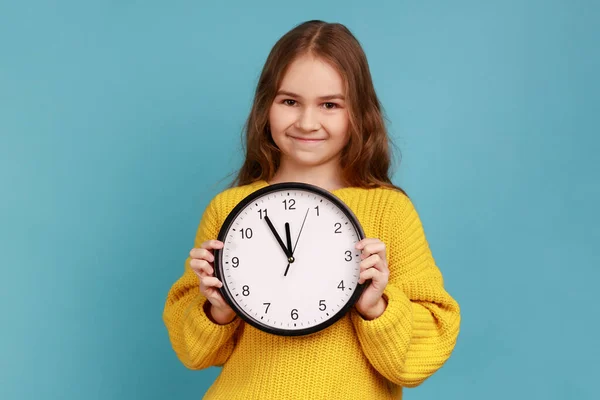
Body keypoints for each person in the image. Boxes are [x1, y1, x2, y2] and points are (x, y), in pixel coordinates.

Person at [163, 20, 461, 400]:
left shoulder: (389, 210)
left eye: (330, 105)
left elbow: (424, 351)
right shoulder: (229, 209)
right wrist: (217, 309)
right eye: (290, 101)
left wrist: (377, 306)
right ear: (265, 106)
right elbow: (193, 353)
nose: (307, 122)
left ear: (358, 113)